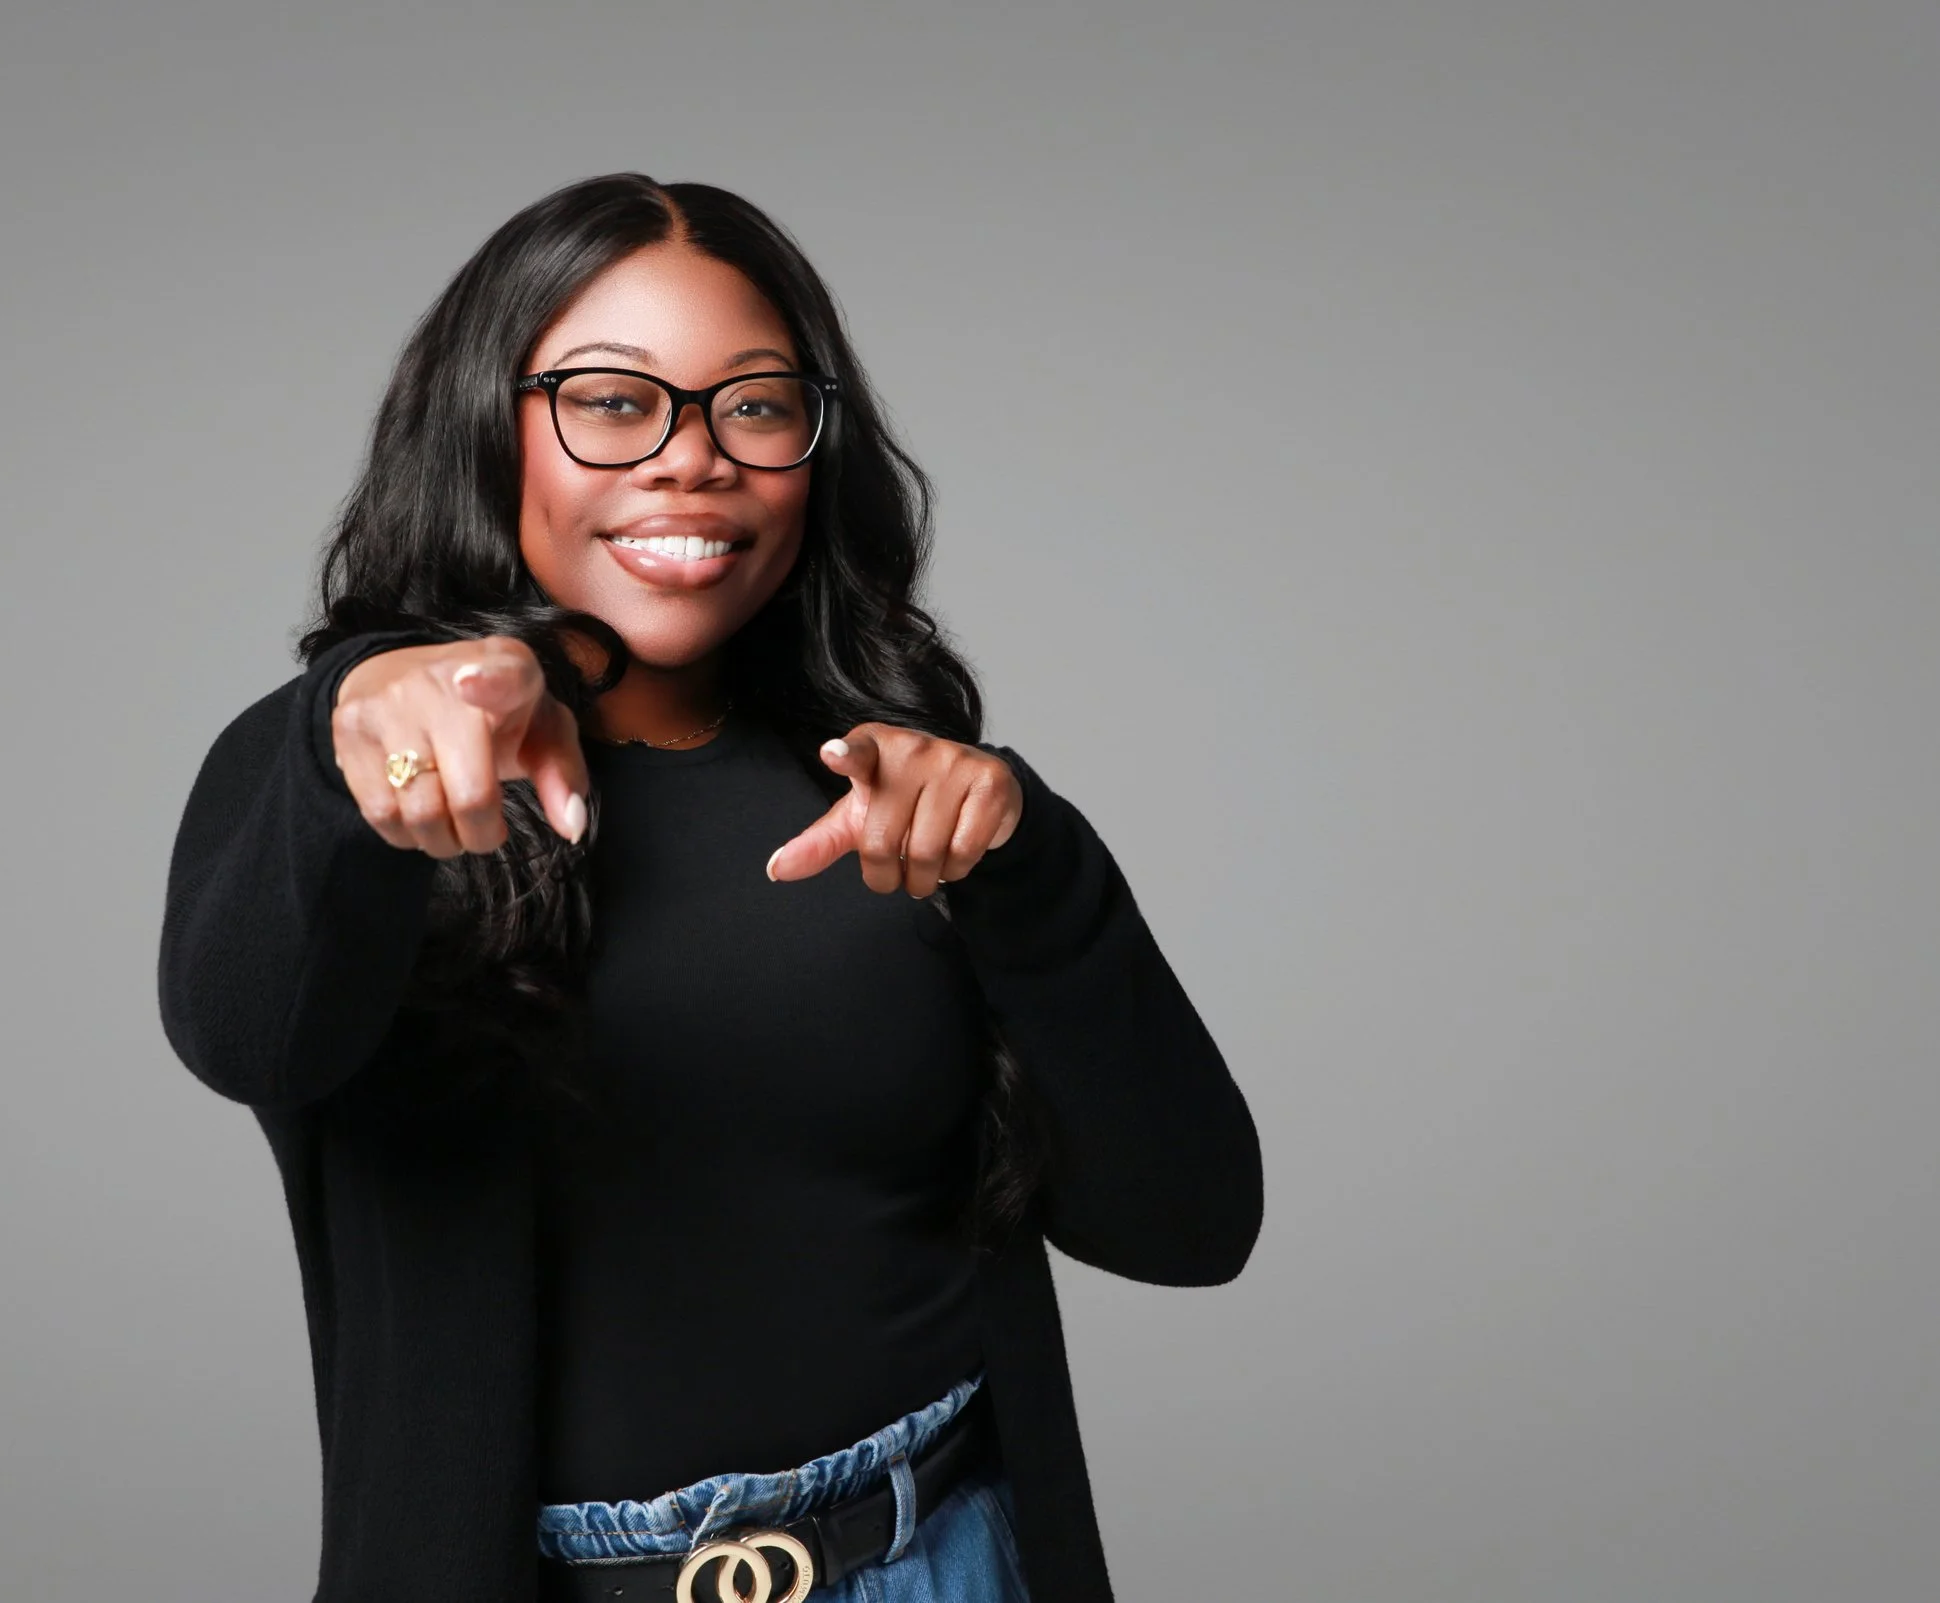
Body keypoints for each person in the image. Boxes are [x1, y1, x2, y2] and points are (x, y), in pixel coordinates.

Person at [155, 171, 1262, 1603]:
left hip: (946, 1556)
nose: (692, 459)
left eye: (752, 404)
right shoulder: (369, 775)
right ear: (489, 424)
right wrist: (347, 727)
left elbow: (1191, 1226)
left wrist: (1034, 862)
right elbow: (243, 1032)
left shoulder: (896, 793)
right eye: (612, 400)